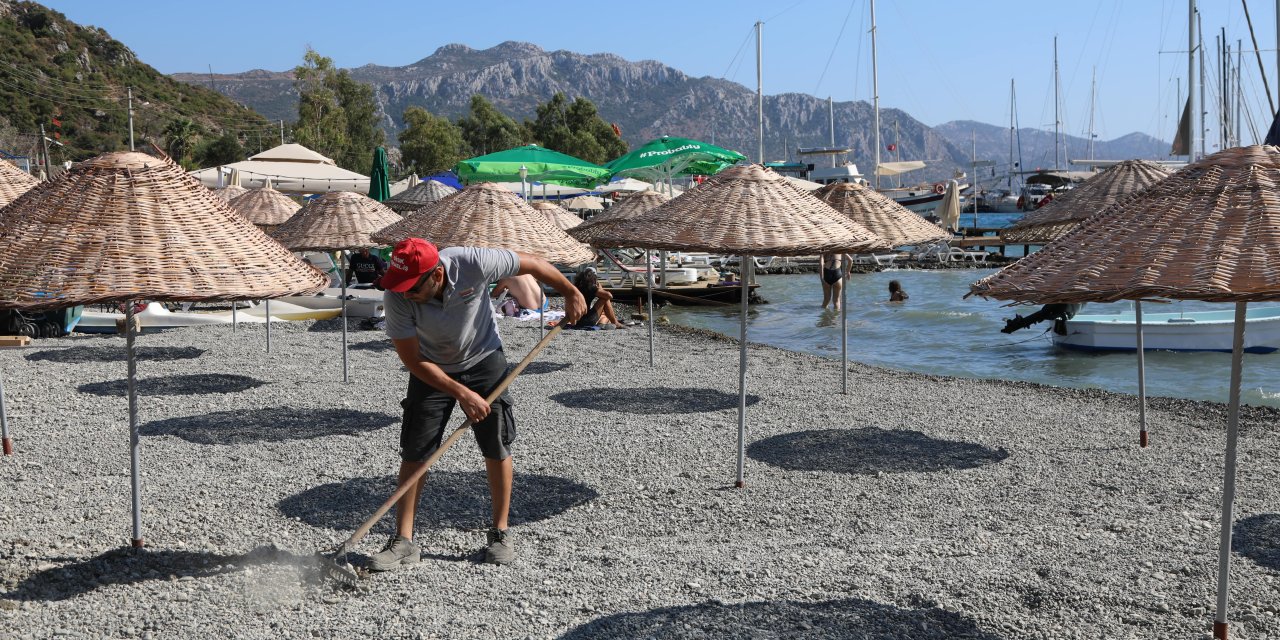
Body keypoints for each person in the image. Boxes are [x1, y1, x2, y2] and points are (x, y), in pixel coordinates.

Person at [371, 238, 586, 569]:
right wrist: (460, 392)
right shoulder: (397, 294)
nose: (405, 294)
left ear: (437, 275)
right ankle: (403, 540)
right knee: (416, 451)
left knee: (496, 443)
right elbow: (413, 360)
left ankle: (500, 533)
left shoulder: (473, 262)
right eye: (401, 287)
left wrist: (570, 291)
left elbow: (532, 263)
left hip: (484, 358)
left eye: (413, 287)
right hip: (431, 366)